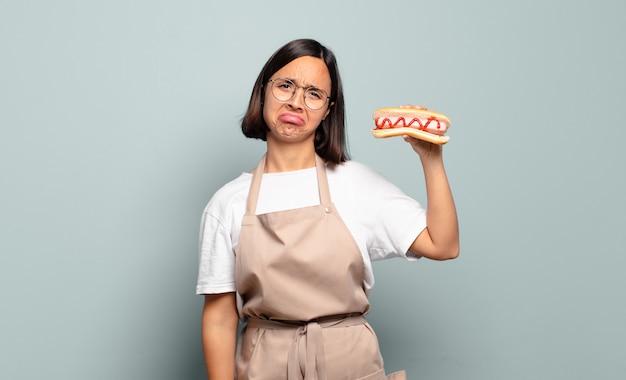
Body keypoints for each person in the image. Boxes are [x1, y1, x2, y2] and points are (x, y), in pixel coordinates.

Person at [196, 38, 459, 380]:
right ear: (263, 92)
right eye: (285, 86)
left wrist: (431, 158)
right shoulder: (227, 202)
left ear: (328, 110)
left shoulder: (358, 184)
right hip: (264, 365)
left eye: (314, 94)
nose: (296, 102)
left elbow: (443, 244)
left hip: (350, 361)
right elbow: (219, 318)